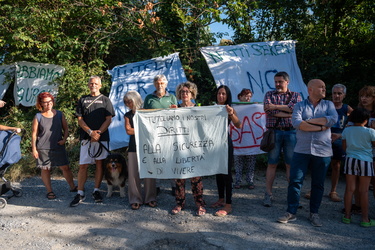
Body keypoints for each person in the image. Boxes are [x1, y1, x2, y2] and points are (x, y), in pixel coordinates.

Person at [277, 79, 338, 227]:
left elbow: (333, 120)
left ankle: (314, 213)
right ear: (310, 89)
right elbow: (298, 124)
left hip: (322, 151)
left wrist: (309, 122)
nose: (324, 89)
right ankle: (291, 212)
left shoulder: (329, 104)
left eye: (324, 87)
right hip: (302, 150)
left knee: (318, 184)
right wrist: (321, 126)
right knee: (295, 181)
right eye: (321, 87)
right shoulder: (299, 105)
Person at [70, 76, 115, 207]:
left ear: (100, 85)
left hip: (102, 137)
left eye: (96, 83)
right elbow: (79, 119)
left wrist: (98, 133)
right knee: (83, 165)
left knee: (99, 164)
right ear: (88, 85)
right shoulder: (82, 99)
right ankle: (80, 192)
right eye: (91, 83)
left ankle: (96, 190)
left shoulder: (106, 100)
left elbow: (108, 119)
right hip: (86, 138)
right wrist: (90, 132)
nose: (93, 85)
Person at [262, 71, 302, 207]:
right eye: (276, 82)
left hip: (291, 133)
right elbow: (268, 110)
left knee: (290, 165)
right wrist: (288, 113)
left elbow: (296, 109)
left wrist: (276, 107)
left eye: (280, 81)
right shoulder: (269, 94)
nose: (277, 84)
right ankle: (268, 194)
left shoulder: (296, 95)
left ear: (287, 82)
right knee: (272, 163)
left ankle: (292, 197)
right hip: (274, 133)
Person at [31, 92, 76, 200]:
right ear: (41, 103)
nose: (48, 104)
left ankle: (73, 187)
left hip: (58, 145)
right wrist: (34, 148)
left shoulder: (60, 114)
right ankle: (49, 191)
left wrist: (64, 139)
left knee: (65, 167)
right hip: (43, 147)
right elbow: (34, 134)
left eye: (50, 101)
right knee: (46, 169)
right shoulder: (38, 116)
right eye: (45, 102)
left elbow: (66, 129)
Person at [170, 82, 206, 216]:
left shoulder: (198, 109)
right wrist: (170, 113)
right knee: (179, 177)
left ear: (192, 93)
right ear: (179, 94)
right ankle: (179, 203)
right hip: (179, 147)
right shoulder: (175, 108)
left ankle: (200, 203)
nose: (185, 94)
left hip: (195, 148)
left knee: (196, 177)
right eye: (183, 92)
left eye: (187, 91)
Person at [143, 74, 178, 197]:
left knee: (171, 159)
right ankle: (156, 185)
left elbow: (177, 114)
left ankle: (174, 185)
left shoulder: (172, 97)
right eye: (158, 83)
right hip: (154, 134)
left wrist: (175, 109)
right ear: (154, 84)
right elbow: (144, 115)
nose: (160, 85)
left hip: (169, 134)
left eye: (162, 83)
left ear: (166, 84)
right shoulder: (149, 98)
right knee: (156, 159)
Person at [211, 85, 242, 217]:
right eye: (219, 93)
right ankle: (221, 199)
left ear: (227, 96)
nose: (221, 96)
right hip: (213, 144)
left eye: (223, 94)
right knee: (218, 172)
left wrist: (231, 114)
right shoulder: (212, 108)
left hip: (225, 143)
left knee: (226, 173)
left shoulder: (229, 109)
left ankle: (228, 204)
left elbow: (238, 124)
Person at [342, 108, 375, 227]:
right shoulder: (370, 132)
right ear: (366, 120)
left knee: (349, 189)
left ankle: (347, 216)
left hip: (350, 159)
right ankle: (365, 219)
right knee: (364, 191)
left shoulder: (347, 130)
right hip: (366, 161)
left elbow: (344, 147)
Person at [124, 90, 157, 210]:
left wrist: (136, 130)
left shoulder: (146, 112)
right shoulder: (127, 115)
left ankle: (150, 197)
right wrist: (143, 130)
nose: (128, 104)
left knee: (149, 172)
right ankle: (135, 198)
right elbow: (128, 130)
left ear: (135, 100)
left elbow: (152, 128)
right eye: (126, 102)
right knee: (133, 174)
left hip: (147, 146)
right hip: (133, 146)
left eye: (130, 101)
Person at [233, 88, 257, 189]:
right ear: (240, 97)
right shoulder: (235, 107)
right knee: (238, 161)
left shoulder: (253, 107)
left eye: (250, 96)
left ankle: (250, 181)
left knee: (250, 161)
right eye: (246, 96)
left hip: (249, 138)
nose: (248, 98)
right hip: (238, 138)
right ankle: (238, 181)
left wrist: (257, 107)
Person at [358, 86, 375, 200]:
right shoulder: (357, 113)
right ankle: (358, 206)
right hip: (360, 151)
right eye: (362, 96)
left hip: (373, 151)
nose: (364, 99)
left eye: (367, 96)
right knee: (359, 181)